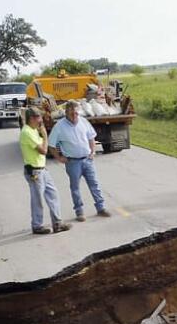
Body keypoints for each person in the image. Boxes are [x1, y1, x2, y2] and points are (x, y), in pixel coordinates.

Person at [49, 100, 111, 221]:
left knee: (94, 185)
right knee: (75, 188)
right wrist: (59, 157)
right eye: (71, 111)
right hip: (72, 162)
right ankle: (79, 212)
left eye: (76, 112)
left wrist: (92, 152)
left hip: (87, 160)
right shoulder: (59, 126)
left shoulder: (83, 121)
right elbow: (51, 144)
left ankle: (101, 208)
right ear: (66, 112)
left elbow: (91, 137)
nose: (74, 114)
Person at [20, 107, 71, 235]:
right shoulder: (27, 132)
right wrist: (44, 135)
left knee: (53, 194)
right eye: (39, 118)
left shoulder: (33, 130)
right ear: (32, 118)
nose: (41, 120)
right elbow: (43, 150)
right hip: (34, 171)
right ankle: (37, 226)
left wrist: (41, 135)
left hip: (42, 169)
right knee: (38, 199)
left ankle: (57, 223)